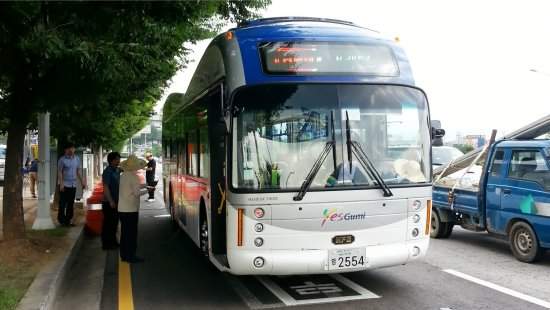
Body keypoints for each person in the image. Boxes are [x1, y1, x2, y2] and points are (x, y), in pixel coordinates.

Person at [118, 155, 147, 263]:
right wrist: (148, 190)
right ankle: (131, 256)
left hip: (122, 209)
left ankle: (124, 255)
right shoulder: (134, 177)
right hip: (131, 209)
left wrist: (145, 186)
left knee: (125, 234)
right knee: (131, 234)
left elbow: (131, 188)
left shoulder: (123, 175)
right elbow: (136, 193)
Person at [57, 143, 87, 227]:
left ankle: (68, 220)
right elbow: (59, 172)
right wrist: (61, 184)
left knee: (70, 203)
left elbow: (78, 172)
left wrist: (82, 182)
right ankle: (61, 220)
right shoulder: (62, 160)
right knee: (63, 203)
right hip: (65, 184)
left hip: (73, 185)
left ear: (74, 149)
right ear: (65, 150)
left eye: (72, 148)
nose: (71, 150)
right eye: (68, 148)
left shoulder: (77, 159)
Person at [101, 152, 121, 250]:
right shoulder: (107, 172)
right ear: (112, 160)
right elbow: (105, 187)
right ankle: (106, 244)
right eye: (117, 159)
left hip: (116, 201)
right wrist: (111, 201)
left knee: (114, 223)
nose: (119, 161)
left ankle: (113, 241)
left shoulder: (117, 170)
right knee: (108, 223)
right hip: (108, 202)